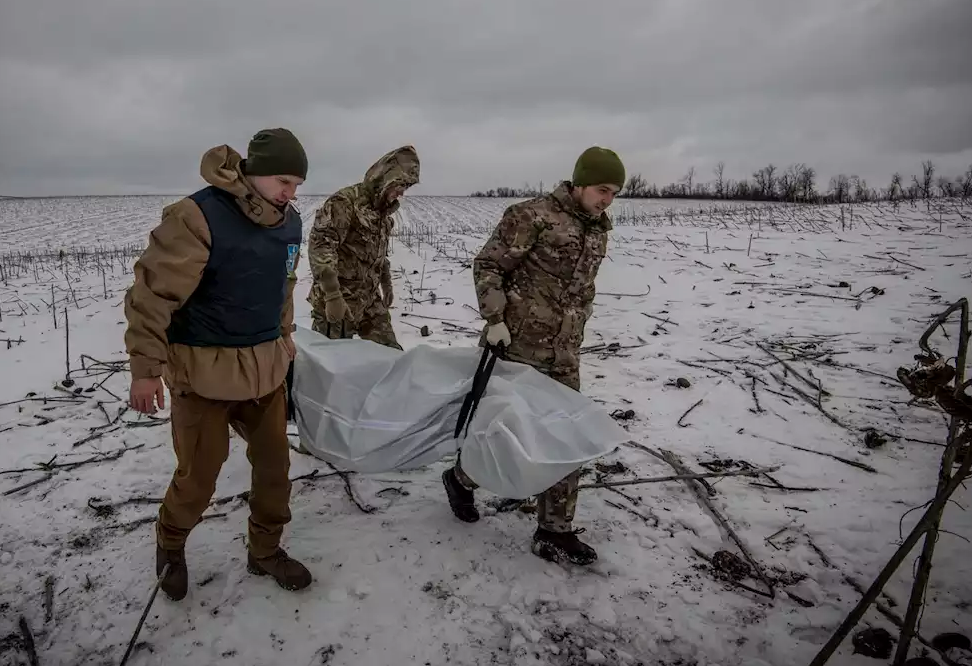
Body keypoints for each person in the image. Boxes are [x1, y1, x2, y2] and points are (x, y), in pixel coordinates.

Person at [124, 127, 313, 600]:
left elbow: (283, 285)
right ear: (255, 173)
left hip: (264, 373)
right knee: (199, 478)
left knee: (274, 470)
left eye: (297, 185)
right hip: (203, 375)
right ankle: (170, 543)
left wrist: (285, 334)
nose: (291, 193)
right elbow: (152, 295)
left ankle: (264, 551)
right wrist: (146, 369)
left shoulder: (289, 223)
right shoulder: (198, 216)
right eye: (284, 181)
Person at [441, 146, 624, 566]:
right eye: (601, 189)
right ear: (578, 182)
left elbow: (583, 286)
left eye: (614, 193)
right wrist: (494, 318)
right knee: (508, 436)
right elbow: (488, 265)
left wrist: (581, 317)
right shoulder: (532, 216)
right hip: (517, 348)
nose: (607, 199)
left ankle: (553, 531)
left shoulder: (597, 229)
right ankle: (461, 477)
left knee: (566, 435)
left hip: (564, 353)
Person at [307, 146, 420, 350]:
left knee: (391, 355)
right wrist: (332, 295)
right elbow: (321, 247)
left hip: (369, 301)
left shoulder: (382, 214)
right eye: (399, 185)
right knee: (330, 366)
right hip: (338, 302)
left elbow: (378, 255)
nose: (401, 192)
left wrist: (386, 284)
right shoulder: (344, 203)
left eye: (406, 187)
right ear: (385, 178)